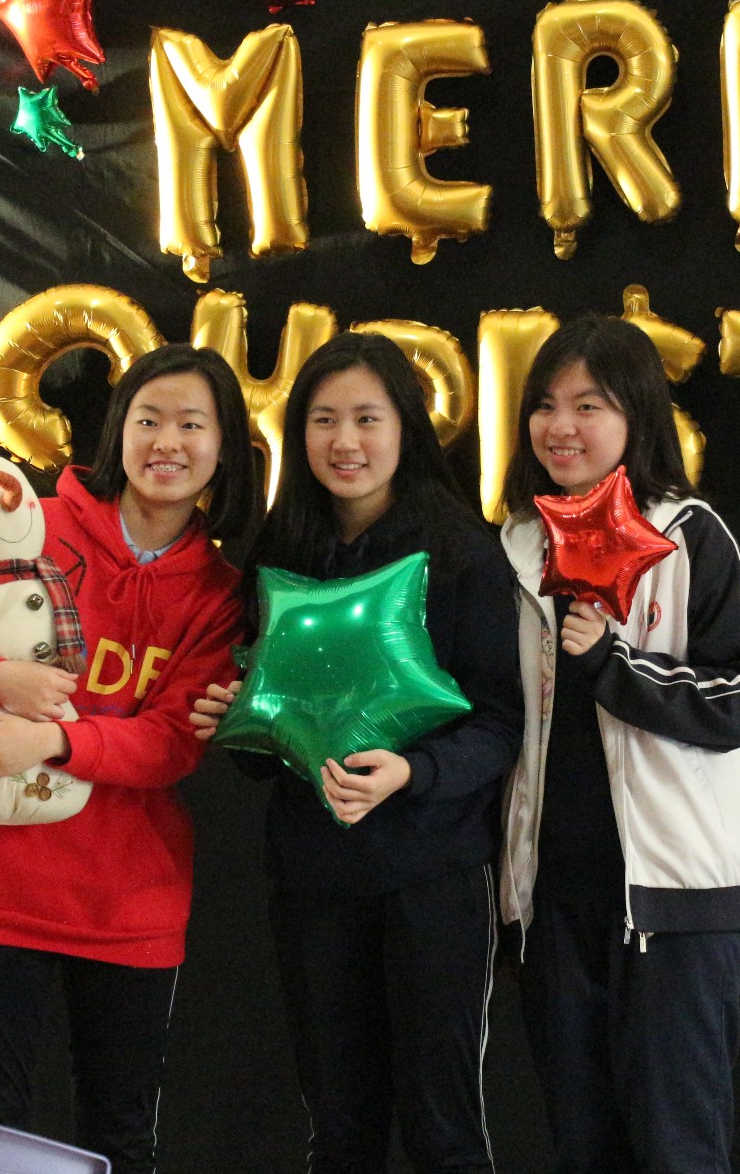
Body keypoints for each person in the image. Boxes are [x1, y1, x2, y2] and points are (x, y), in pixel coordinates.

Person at [190, 331, 522, 1173]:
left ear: (406, 427)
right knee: (339, 1129)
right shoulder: (280, 554)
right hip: (314, 882)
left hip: (433, 877)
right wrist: (238, 720)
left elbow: (500, 721)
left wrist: (415, 771)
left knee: (443, 1129)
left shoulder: (464, 554)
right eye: (324, 419)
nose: (346, 441)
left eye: (368, 418)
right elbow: (263, 753)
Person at [0, 343, 258, 1174]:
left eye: (192, 424)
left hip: (128, 901)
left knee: (118, 1136)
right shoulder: (25, 524)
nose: (167, 442)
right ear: (118, 429)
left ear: (225, 447)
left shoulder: (221, 592)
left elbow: (173, 740)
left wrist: (56, 740)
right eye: (149, 419)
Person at [497, 315, 740, 1174]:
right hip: (550, 904)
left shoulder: (689, 534)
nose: (561, 425)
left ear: (638, 415)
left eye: (589, 404)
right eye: (545, 404)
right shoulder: (513, 546)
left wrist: (616, 665)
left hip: (672, 900)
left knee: (676, 1148)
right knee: (583, 1148)